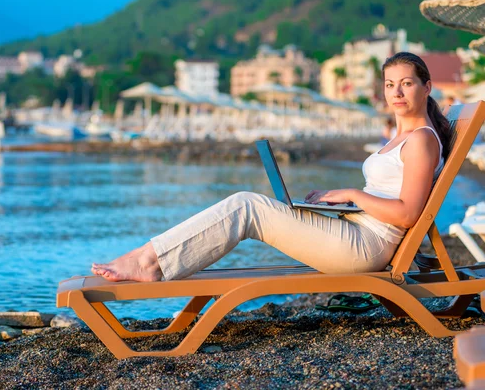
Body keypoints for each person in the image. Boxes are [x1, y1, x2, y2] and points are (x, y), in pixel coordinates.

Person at [91, 52, 452, 283]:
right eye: (390, 85)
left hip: (365, 246)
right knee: (254, 205)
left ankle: (150, 261)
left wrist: (351, 193)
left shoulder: (420, 140)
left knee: (247, 206)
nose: (397, 93)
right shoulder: (400, 137)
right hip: (356, 229)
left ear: (427, 87)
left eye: (407, 83)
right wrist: (343, 204)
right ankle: (150, 258)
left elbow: (407, 215)